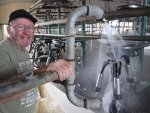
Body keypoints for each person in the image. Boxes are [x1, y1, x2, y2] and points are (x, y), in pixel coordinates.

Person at [0, 9, 72, 113]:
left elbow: (27, 75)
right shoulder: (2, 51)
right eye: (20, 27)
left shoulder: (22, 49)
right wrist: (46, 69)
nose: (26, 32)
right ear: (8, 29)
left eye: (30, 27)